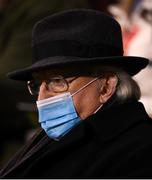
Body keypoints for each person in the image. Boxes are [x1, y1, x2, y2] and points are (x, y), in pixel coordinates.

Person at [0, 9, 152, 179]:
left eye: (57, 81)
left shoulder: (139, 150)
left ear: (106, 86)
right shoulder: (51, 137)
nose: (41, 97)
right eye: (37, 84)